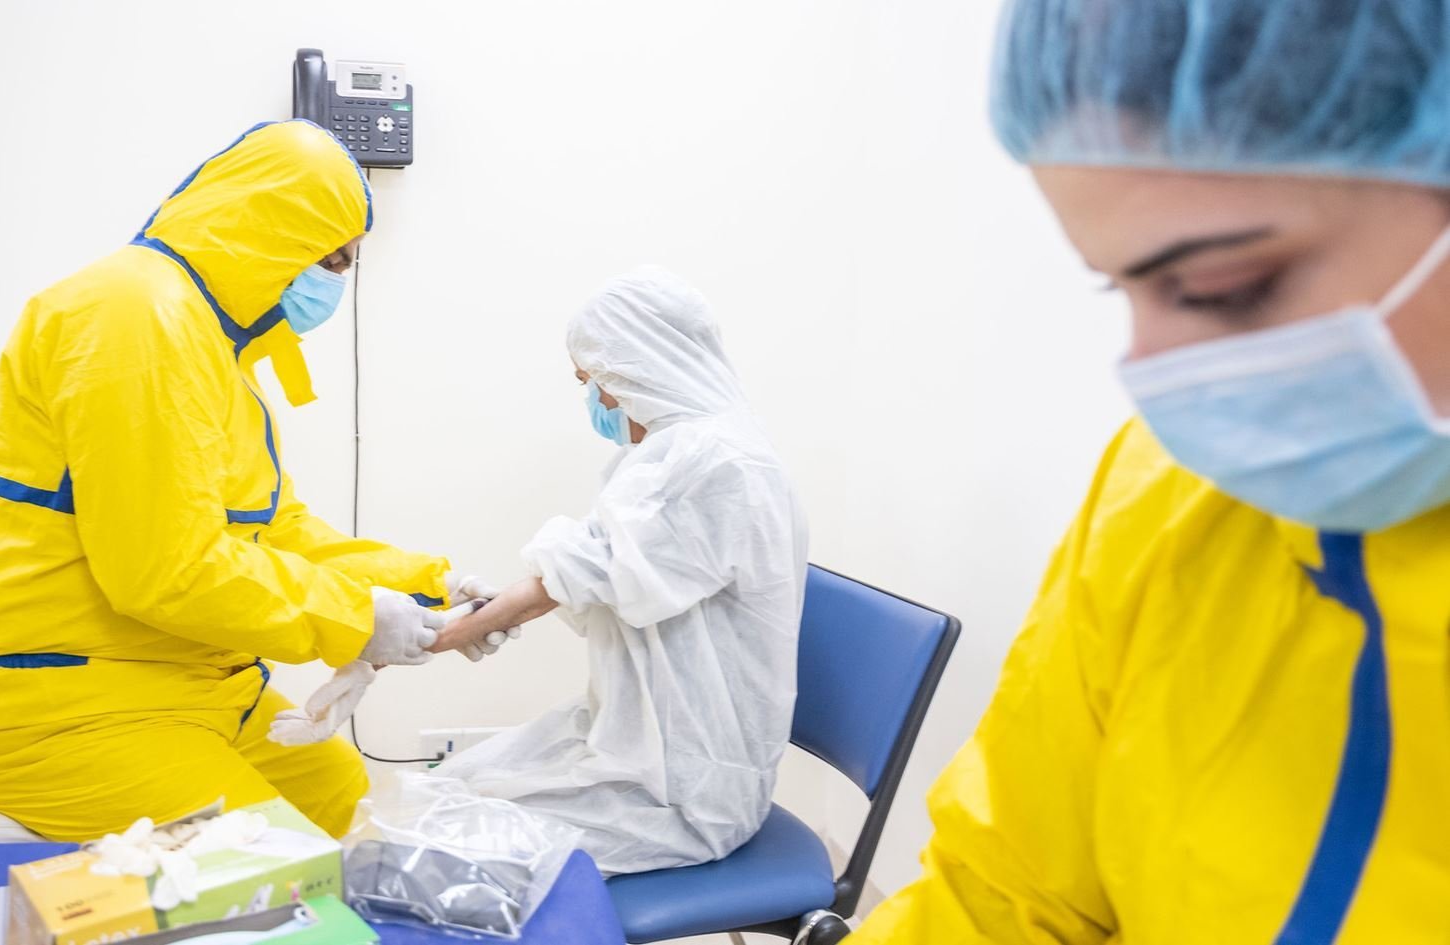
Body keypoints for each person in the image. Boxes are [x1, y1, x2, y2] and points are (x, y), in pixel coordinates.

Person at [852, 1, 1450, 942]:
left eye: (1223, 286)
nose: (1155, 369)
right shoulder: (1163, 499)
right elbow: (1004, 896)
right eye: (1119, 285)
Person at [0, 121, 501, 842]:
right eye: (332, 258)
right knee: (288, 874)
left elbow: (273, 531)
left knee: (365, 827)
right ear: (267, 231)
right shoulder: (133, 317)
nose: (336, 281)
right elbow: (165, 569)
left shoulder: (208, 344)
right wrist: (357, 618)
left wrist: (428, 586)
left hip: (191, 681)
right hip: (56, 699)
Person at [292, 267, 810, 875]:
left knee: (413, 842)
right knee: (435, 794)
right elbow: (585, 570)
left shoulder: (717, 463)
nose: (599, 401)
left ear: (643, 369)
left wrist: (407, 643)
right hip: (638, 740)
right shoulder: (676, 452)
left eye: (596, 382)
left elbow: (566, 581)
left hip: (686, 788)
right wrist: (419, 628)